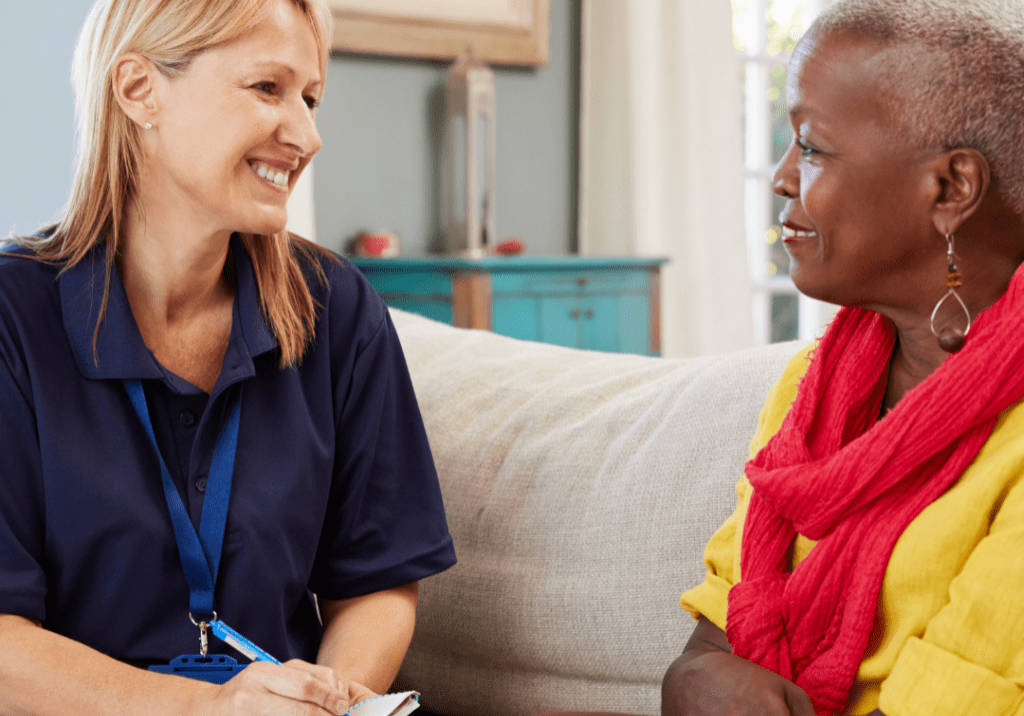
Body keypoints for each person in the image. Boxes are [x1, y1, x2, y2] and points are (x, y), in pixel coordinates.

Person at [0, 0, 456, 714]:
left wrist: (329, 702)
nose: (306, 134)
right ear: (138, 89)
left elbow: (376, 582)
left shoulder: (336, 309)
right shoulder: (11, 318)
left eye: (310, 99)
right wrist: (202, 709)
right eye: (267, 89)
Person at [662, 1, 1024, 715]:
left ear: (951, 189)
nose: (783, 178)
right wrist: (690, 679)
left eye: (813, 147)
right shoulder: (815, 384)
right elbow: (712, 640)